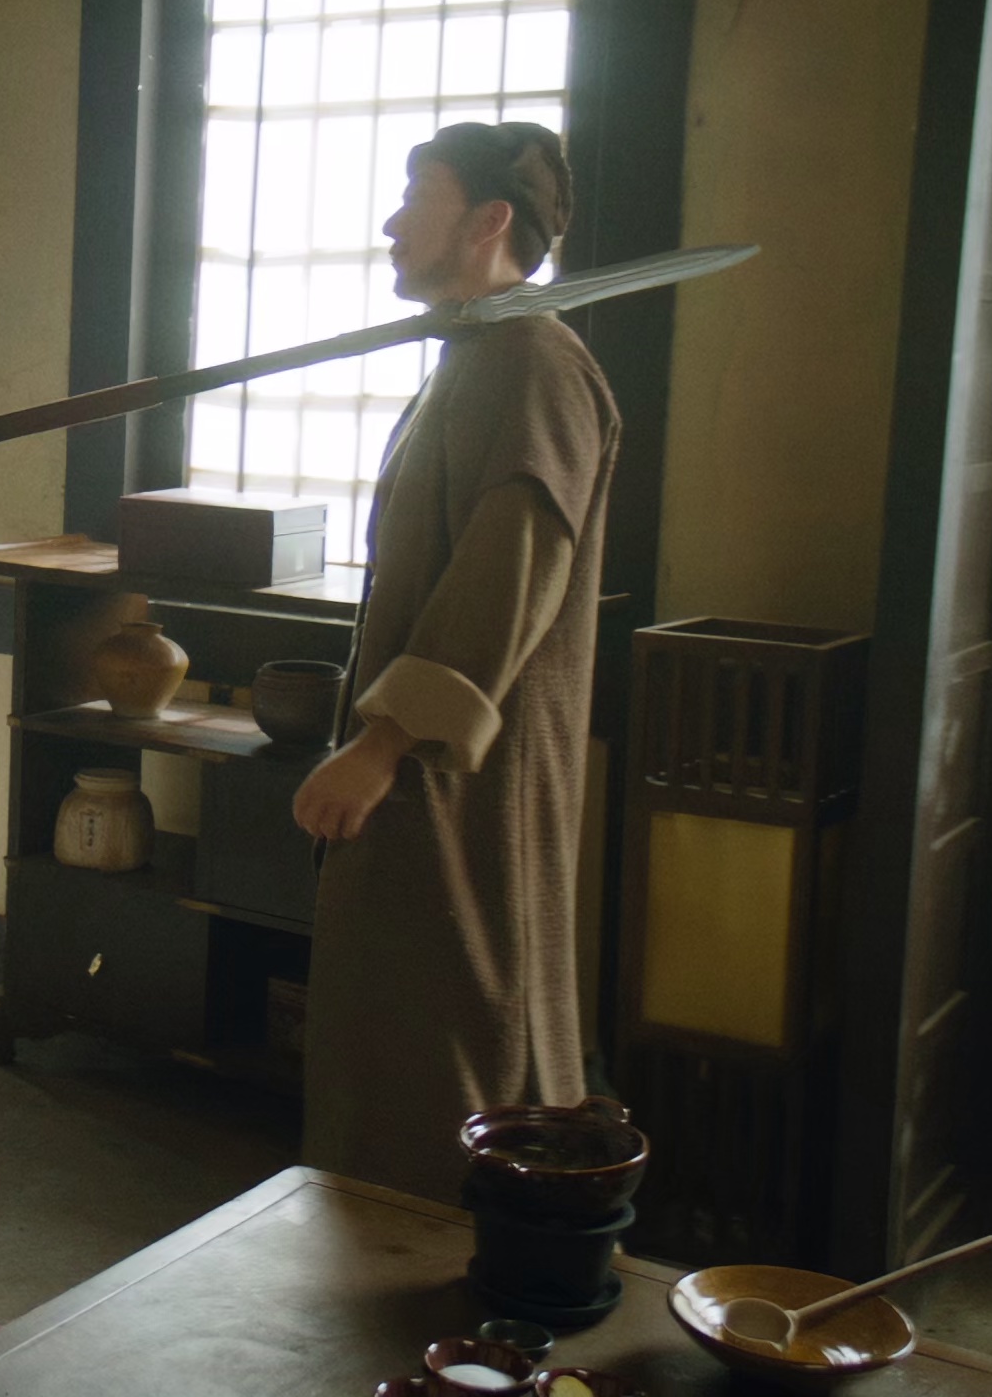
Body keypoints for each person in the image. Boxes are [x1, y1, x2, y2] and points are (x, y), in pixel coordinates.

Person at [288, 122, 615, 1205]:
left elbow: (505, 579)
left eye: (415, 197)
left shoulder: (535, 365)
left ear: (489, 220)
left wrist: (382, 743)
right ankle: (374, 1247)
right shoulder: (476, 355)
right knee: (397, 1025)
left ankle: (456, 1277)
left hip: (463, 775)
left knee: (464, 1031)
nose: (391, 222)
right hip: (418, 768)